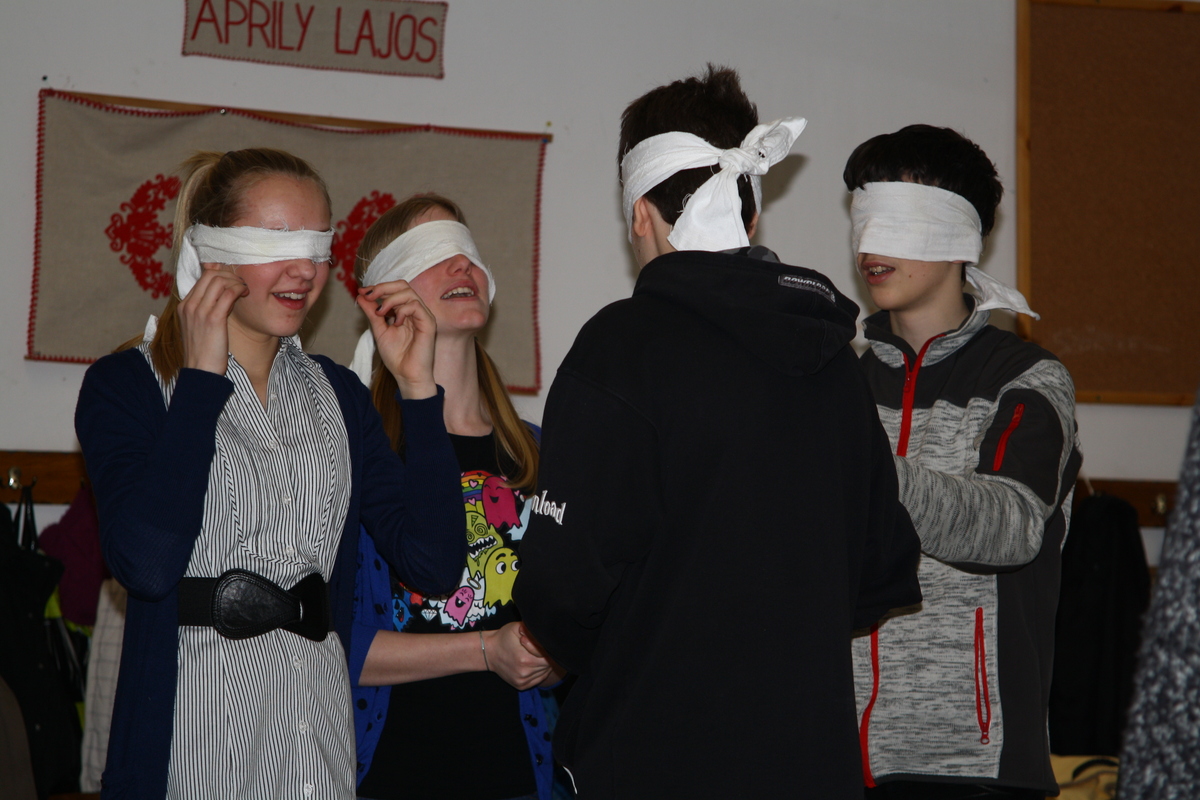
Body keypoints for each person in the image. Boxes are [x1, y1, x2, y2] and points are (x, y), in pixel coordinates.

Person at [512, 65, 923, 799]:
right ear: (751, 217)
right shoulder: (833, 357)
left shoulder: (622, 349)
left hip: (652, 758)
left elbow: (561, 586)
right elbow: (883, 567)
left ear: (639, 213)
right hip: (808, 762)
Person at [74, 149, 465, 800]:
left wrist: (419, 392)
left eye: (317, 246)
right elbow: (144, 564)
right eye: (276, 242)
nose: (304, 270)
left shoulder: (339, 396)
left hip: (315, 746)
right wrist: (200, 384)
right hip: (191, 745)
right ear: (211, 252)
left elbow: (433, 565)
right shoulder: (129, 387)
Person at [844, 125, 1083, 799]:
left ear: (958, 233)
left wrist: (866, 472)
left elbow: (1011, 525)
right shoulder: (838, 385)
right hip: (835, 761)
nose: (871, 242)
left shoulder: (1026, 379)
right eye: (863, 216)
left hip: (975, 768)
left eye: (898, 217)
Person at [347, 194, 566, 800]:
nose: (461, 265)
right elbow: (331, 643)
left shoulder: (542, 454)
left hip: (521, 775)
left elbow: (575, 622)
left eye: (466, 251)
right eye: (432, 255)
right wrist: (485, 650)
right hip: (390, 777)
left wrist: (554, 656)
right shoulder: (356, 455)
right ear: (385, 298)